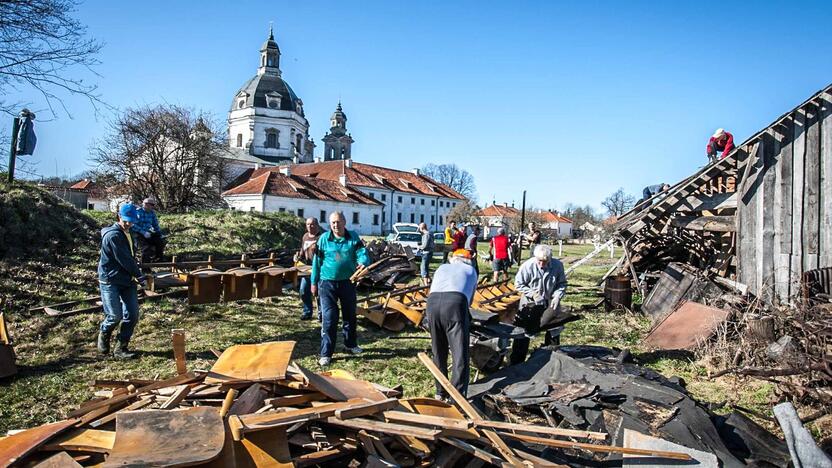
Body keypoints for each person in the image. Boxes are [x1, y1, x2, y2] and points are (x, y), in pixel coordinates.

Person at [311, 211, 370, 366]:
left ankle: (350, 344)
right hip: (327, 284)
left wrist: (363, 261)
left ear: (344, 222)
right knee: (329, 319)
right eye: (333, 223)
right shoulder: (323, 239)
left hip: (348, 282)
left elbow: (362, 253)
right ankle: (326, 353)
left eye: (338, 221)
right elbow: (316, 263)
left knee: (350, 316)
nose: (335, 225)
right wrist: (313, 282)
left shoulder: (353, 237)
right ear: (330, 224)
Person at [426, 249, 479, 401]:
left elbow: (433, 289)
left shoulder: (441, 268)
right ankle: (457, 396)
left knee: (438, 351)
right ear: (469, 261)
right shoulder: (471, 270)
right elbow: (468, 301)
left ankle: (440, 392)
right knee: (459, 353)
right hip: (455, 303)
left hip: (432, 303)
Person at [97, 203, 146, 359]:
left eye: (131, 221)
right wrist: (140, 276)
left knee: (132, 315)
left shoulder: (129, 232)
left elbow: (131, 256)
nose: (129, 224)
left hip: (126, 279)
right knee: (114, 316)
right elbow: (125, 260)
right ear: (119, 217)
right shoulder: (113, 236)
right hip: (110, 279)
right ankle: (104, 333)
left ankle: (120, 348)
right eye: (126, 221)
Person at [510, 244, 568, 365]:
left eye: (545, 261)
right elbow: (519, 284)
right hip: (530, 304)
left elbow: (561, 283)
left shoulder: (557, 266)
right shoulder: (527, 266)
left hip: (550, 302)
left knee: (554, 331)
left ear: (550, 258)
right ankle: (516, 364)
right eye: (539, 261)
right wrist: (533, 294)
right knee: (523, 334)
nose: (542, 264)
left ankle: (551, 362)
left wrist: (557, 296)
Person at [296, 217, 322, 321]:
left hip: (319, 269)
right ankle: (307, 312)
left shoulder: (321, 237)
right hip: (307, 269)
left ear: (317, 225)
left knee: (319, 293)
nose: (309, 226)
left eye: (312, 224)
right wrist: (298, 256)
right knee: (303, 291)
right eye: (307, 224)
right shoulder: (305, 236)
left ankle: (321, 314)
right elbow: (302, 250)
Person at [132, 197, 166, 263]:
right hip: (137, 233)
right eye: (151, 205)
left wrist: (159, 234)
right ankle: (145, 268)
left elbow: (155, 224)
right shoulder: (137, 212)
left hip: (147, 233)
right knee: (146, 248)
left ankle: (158, 260)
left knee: (160, 242)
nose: (152, 207)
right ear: (145, 204)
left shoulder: (152, 213)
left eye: (152, 205)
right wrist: (143, 232)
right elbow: (133, 225)